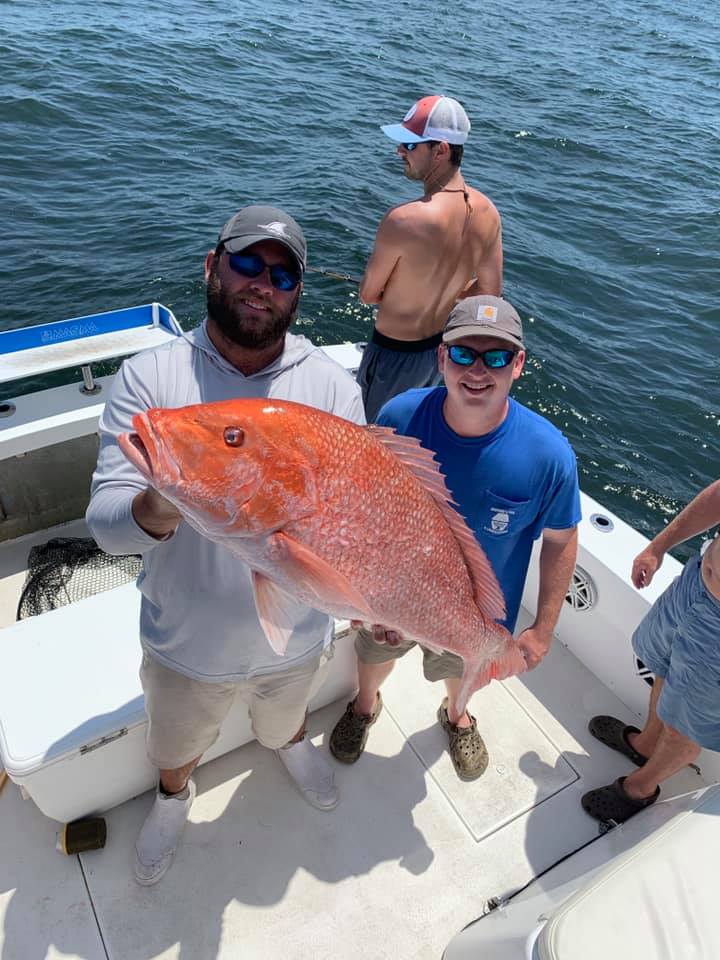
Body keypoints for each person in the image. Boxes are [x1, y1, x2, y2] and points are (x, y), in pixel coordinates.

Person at [86, 205, 365, 885]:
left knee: (285, 719)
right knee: (176, 743)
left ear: (298, 292)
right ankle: (174, 796)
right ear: (211, 266)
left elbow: (354, 517)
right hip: (185, 640)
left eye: (281, 273)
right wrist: (162, 500)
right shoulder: (152, 381)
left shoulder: (330, 386)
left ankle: (290, 746)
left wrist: (371, 593)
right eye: (245, 262)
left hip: (296, 633)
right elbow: (104, 525)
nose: (261, 282)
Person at [330, 295, 580, 780]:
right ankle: (365, 705)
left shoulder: (550, 455)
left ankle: (458, 714)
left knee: (460, 671)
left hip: (474, 615)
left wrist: (543, 630)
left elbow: (560, 540)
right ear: (442, 357)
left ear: (519, 364)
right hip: (393, 597)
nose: (478, 370)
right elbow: (362, 512)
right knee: (374, 654)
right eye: (464, 353)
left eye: (497, 356)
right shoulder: (398, 417)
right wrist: (360, 596)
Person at [357, 94, 504, 422]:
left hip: (391, 356)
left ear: (441, 150)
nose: (400, 151)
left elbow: (368, 295)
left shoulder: (404, 219)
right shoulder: (488, 213)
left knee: (373, 439)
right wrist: (451, 292)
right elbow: (491, 292)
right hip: (438, 357)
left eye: (410, 145)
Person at [582, 480, 720, 823]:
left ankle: (640, 789)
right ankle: (644, 744)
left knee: (687, 726)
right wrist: (658, 547)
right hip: (695, 585)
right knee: (663, 665)